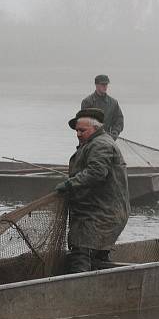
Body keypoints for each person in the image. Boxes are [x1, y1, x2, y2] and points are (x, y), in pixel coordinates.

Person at [55, 108, 130, 272]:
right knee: (96, 257)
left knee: (81, 253)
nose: (78, 134)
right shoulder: (93, 143)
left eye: (82, 130)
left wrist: (69, 184)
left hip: (99, 214)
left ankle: (78, 290)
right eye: (76, 131)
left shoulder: (101, 144)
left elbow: (96, 172)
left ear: (96, 128)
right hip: (100, 212)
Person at [80, 74, 124, 139]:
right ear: (96, 85)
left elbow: (119, 119)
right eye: (103, 84)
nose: (105, 87)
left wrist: (115, 131)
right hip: (91, 139)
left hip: (108, 139)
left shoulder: (113, 103)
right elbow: (83, 123)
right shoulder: (87, 102)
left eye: (106, 84)